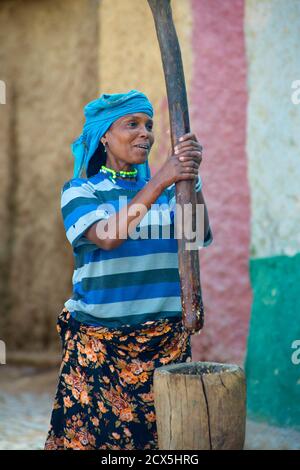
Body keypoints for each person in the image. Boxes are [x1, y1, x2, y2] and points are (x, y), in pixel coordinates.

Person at [44, 90, 213, 450]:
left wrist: (190, 183)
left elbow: (196, 235)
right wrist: (161, 180)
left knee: (163, 444)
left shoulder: (172, 193)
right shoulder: (82, 191)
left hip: (165, 344)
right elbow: (107, 236)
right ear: (105, 135)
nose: (146, 134)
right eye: (132, 124)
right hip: (98, 346)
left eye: (149, 125)